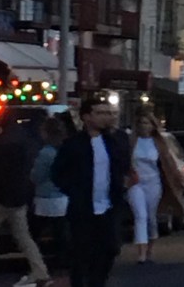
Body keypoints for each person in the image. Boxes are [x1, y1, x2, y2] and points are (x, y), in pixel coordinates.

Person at [52, 98, 131, 287]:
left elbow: (123, 166)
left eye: (108, 113)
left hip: (109, 207)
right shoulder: (74, 144)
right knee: (81, 252)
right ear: (87, 117)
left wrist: (121, 186)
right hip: (83, 208)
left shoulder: (115, 141)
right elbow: (57, 172)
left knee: (109, 248)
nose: (106, 117)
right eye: (100, 113)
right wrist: (74, 190)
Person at [0, 109, 52, 287]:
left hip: (0, 198)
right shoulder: (24, 140)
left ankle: (40, 272)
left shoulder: (1, 144)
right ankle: (40, 272)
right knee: (24, 237)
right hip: (19, 196)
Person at [127, 109, 184, 264]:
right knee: (140, 215)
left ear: (153, 126)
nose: (143, 126)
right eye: (141, 123)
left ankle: (150, 248)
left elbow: (169, 162)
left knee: (151, 217)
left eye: (147, 123)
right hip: (136, 183)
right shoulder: (132, 142)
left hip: (153, 183)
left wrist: (178, 177)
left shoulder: (159, 143)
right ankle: (141, 253)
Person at [31, 117, 69, 274]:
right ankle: (63, 260)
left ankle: (36, 260)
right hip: (62, 197)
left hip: (45, 197)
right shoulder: (64, 150)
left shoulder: (45, 153)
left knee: (34, 231)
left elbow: (37, 176)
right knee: (60, 232)